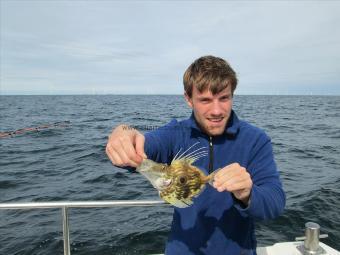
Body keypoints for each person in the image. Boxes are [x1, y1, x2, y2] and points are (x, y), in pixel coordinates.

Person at [106, 55, 286, 255]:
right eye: (205, 100)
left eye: (224, 98)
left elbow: (275, 203)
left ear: (232, 95)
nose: (216, 110)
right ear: (188, 99)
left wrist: (248, 193)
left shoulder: (255, 140)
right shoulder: (175, 134)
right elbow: (141, 151)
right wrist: (123, 133)